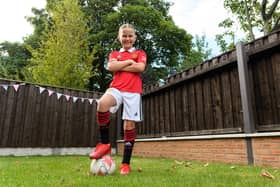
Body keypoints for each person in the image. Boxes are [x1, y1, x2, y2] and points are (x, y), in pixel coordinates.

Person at [89, 23, 147, 175]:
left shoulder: (140, 52)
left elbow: (140, 68)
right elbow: (110, 67)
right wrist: (129, 62)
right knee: (102, 103)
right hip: (117, 88)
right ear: (119, 37)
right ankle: (104, 143)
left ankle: (125, 164)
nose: (127, 38)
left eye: (130, 35)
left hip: (133, 92)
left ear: (134, 38)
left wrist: (119, 66)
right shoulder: (114, 53)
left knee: (128, 126)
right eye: (124, 35)